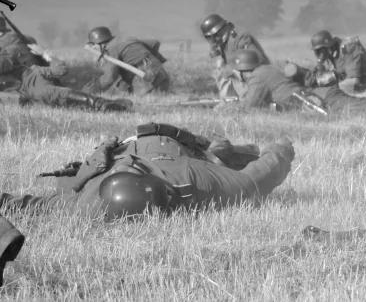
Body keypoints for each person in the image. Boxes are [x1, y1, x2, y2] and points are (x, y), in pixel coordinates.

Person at [0, 122, 294, 219]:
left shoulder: (194, 177)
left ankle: (225, 149)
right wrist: (280, 150)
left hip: (179, 145)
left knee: (219, 152)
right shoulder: (89, 201)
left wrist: (282, 148)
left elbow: (29, 205)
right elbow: (257, 178)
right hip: (129, 148)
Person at [230, 49, 366, 115]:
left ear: (242, 70)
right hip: (319, 96)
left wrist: (226, 107)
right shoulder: (267, 69)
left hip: (321, 100)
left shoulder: (257, 77)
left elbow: (249, 107)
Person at [18, 59, 132, 112]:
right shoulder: (36, 70)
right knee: (92, 101)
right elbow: (61, 70)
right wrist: (49, 56)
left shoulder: (23, 84)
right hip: (57, 92)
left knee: (81, 107)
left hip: (45, 102)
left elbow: (23, 101)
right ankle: (109, 106)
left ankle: (112, 104)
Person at [199, 13, 270, 99]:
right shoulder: (222, 45)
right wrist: (216, 55)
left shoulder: (241, 38)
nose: (214, 39)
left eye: (216, 35)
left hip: (258, 78)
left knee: (228, 72)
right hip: (242, 80)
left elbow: (256, 61)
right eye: (210, 37)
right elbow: (221, 69)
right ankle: (232, 99)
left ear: (223, 29)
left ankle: (248, 99)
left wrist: (231, 69)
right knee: (220, 72)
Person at [85, 26, 171, 94]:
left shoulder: (111, 50)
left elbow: (109, 78)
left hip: (146, 78)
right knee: (161, 97)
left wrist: (91, 90)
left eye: (94, 45)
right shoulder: (126, 40)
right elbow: (154, 43)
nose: (94, 48)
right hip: (161, 74)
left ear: (100, 43)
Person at [306, 30, 366, 94]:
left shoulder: (348, 48)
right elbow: (326, 76)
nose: (318, 54)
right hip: (350, 86)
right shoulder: (331, 54)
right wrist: (320, 64)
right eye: (316, 52)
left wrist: (332, 89)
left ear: (327, 47)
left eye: (319, 51)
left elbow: (354, 80)